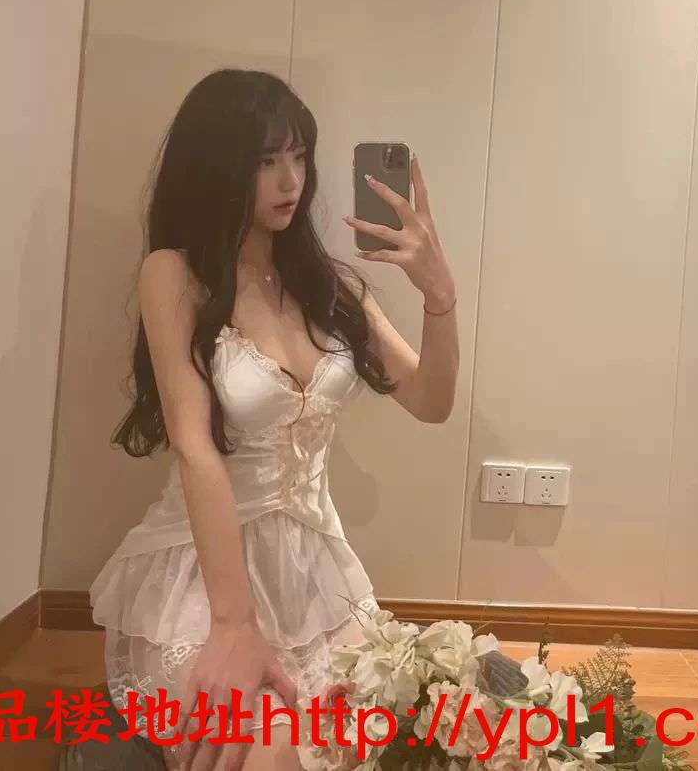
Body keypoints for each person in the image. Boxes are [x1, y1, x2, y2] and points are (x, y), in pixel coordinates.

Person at [88, 67, 459, 770]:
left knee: (390, 743)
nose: (291, 180)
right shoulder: (175, 274)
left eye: (298, 155)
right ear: (219, 166)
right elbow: (194, 447)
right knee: (267, 753)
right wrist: (233, 625)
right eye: (265, 161)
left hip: (317, 575)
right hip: (205, 574)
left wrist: (439, 295)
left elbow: (431, 401)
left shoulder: (328, 285)